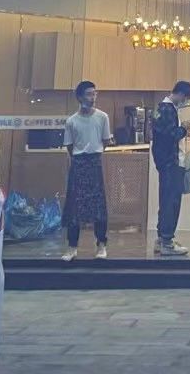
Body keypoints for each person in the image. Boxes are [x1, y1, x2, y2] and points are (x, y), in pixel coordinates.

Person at [61, 80, 113, 260]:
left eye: (95, 94)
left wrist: (93, 154)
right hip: (78, 163)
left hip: (94, 162)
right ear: (80, 97)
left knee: (98, 206)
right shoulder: (71, 121)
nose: (93, 97)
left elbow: (105, 141)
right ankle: (72, 247)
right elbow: (69, 145)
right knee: (74, 206)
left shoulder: (102, 117)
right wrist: (80, 156)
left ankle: (101, 245)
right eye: (89, 94)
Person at [151, 79, 190, 256]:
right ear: (181, 94)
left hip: (165, 162)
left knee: (166, 200)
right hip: (171, 162)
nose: (186, 102)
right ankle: (167, 241)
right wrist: (184, 128)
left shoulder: (162, 108)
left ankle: (162, 238)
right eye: (186, 98)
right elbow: (171, 135)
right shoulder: (168, 110)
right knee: (171, 201)